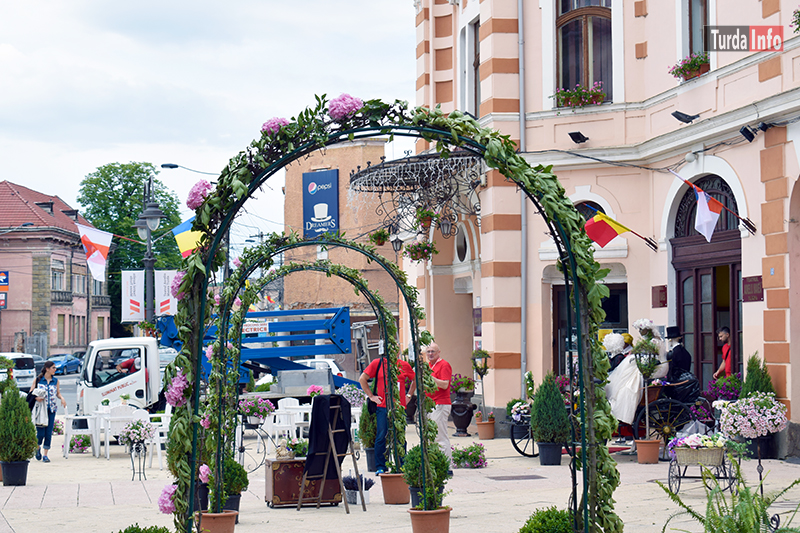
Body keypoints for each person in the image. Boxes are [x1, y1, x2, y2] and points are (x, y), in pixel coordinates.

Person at [358, 353, 415, 474]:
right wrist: (371, 396)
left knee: (400, 436)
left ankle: (401, 464)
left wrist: (409, 395)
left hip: (399, 407)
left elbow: (415, 379)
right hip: (383, 406)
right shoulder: (377, 363)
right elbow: (362, 379)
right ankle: (380, 466)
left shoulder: (403, 365)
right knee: (381, 436)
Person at [424, 343, 453, 469]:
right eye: (428, 351)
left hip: (440, 403)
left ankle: (447, 466)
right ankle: (436, 464)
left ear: (438, 352)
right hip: (430, 404)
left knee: (440, 436)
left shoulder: (444, 365)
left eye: (433, 351)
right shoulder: (429, 366)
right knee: (431, 437)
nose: (430, 354)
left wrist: (430, 378)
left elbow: (445, 384)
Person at [32, 361, 67, 463]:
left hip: (51, 409)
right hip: (41, 410)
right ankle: (37, 448)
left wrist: (62, 398)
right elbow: (31, 392)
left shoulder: (55, 381)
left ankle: (46, 455)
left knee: (48, 432)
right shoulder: (38, 380)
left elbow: (58, 393)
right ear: (47, 369)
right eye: (53, 368)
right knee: (40, 433)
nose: (55, 369)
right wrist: (36, 398)